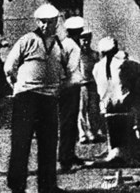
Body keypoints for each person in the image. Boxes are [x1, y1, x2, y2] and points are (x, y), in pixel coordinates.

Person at [5, 4, 81, 193]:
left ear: (57, 23)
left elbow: (73, 74)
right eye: (42, 22)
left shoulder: (61, 45)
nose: (46, 26)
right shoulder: (27, 40)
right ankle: (17, 187)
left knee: (48, 144)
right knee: (20, 143)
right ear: (37, 22)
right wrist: (20, 87)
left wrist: (58, 89)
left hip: (49, 100)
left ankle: (48, 186)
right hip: (26, 98)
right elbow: (9, 67)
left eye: (50, 22)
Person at [57, 17, 88, 172]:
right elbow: (67, 69)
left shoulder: (67, 44)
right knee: (67, 124)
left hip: (71, 88)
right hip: (68, 89)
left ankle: (70, 153)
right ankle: (65, 158)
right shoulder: (70, 46)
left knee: (71, 124)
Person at [76, 27, 104, 144]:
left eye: (88, 39)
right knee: (82, 109)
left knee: (93, 109)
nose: (86, 42)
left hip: (93, 84)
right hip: (81, 85)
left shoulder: (95, 55)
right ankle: (82, 133)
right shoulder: (76, 55)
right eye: (83, 39)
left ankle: (93, 131)